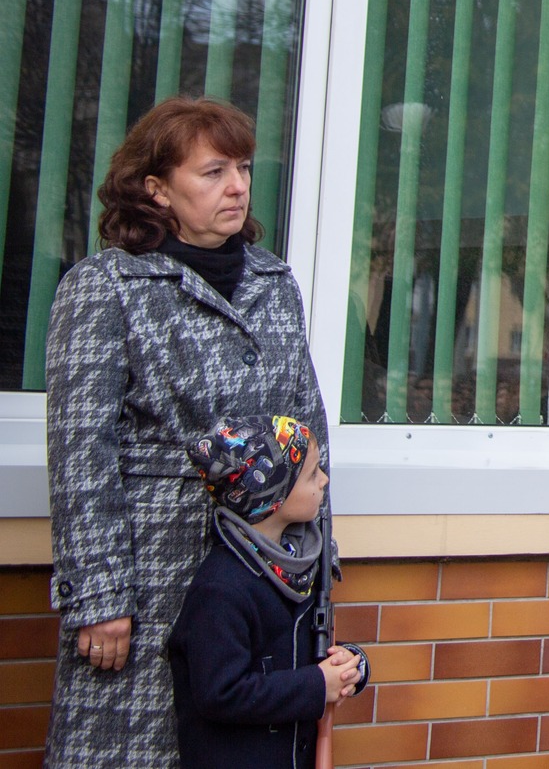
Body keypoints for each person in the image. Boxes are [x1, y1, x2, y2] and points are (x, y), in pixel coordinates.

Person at [43, 97, 329, 769]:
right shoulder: (107, 285)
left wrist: (315, 567)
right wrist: (100, 596)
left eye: (244, 167)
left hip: (259, 581)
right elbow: (82, 453)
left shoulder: (274, 281)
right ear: (156, 187)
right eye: (213, 171)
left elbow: (309, 433)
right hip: (147, 579)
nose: (237, 185)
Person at [168, 414, 367, 768]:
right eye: (311, 474)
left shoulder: (299, 566)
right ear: (273, 494)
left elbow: (310, 654)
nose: (324, 481)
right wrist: (317, 687)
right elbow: (220, 692)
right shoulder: (221, 588)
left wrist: (349, 665)